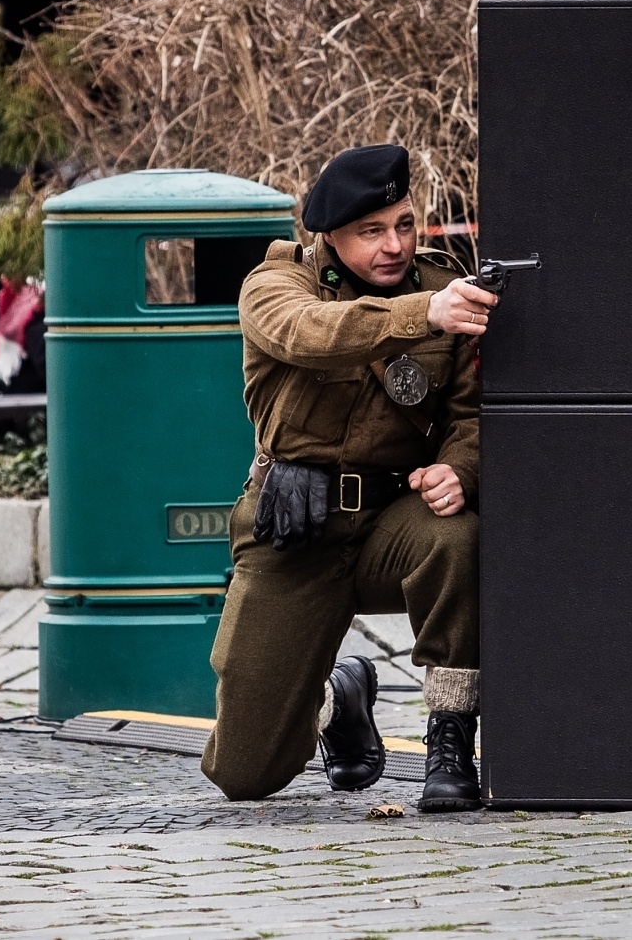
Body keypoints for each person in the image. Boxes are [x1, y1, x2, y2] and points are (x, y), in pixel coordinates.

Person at [200, 144, 498, 812]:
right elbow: (310, 333)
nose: (394, 245)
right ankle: (341, 695)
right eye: (371, 231)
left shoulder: (441, 283)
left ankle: (452, 736)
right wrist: (423, 313)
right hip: (294, 530)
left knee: (454, 537)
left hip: (389, 524)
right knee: (243, 773)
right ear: (328, 236)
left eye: (404, 224)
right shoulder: (278, 286)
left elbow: (469, 414)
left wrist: (459, 469)